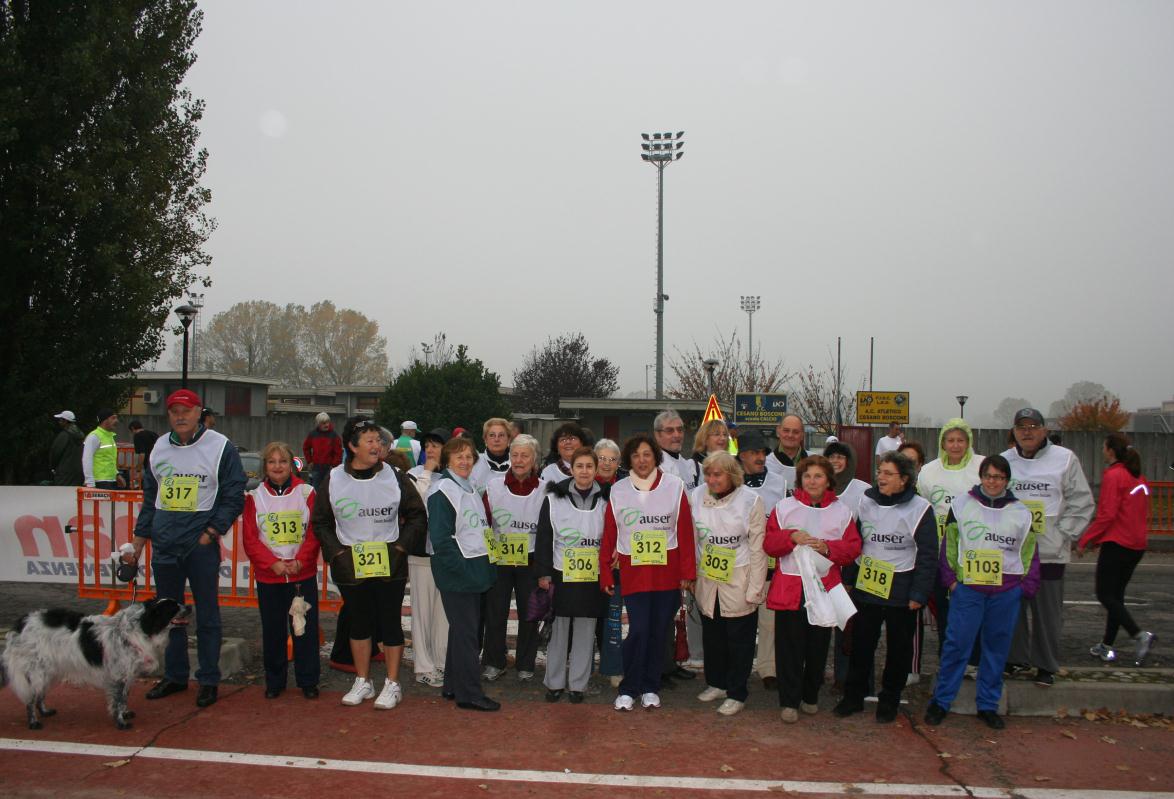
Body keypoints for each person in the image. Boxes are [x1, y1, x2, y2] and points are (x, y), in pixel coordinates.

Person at [122, 389, 246, 708]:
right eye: (174, 411)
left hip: (199, 546)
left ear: (198, 413)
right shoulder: (158, 447)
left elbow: (234, 495)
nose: (180, 416)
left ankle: (208, 679)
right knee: (168, 616)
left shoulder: (220, 447)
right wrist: (137, 544)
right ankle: (175, 676)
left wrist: (211, 532)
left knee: (207, 614)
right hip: (165, 547)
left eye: (186, 411)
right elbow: (151, 500)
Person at [313, 417, 427, 709]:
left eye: (379, 440)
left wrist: (400, 548)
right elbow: (322, 522)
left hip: (390, 560)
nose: (377, 446)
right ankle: (363, 681)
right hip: (351, 562)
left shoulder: (396, 475)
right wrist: (338, 554)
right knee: (359, 623)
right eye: (370, 440)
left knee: (389, 623)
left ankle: (392, 683)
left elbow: (416, 515)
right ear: (352, 446)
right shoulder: (334, 478)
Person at [925, 455, 1039, 730]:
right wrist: (951, 579)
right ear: (981, 477)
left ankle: (987, 705)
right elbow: (949, 544)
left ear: (1007, 481)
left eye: (999, 477)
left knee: (996, 649)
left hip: (1006, 591)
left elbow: (1030, 551)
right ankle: (941, 702)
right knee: (956, 645)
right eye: (988, 476)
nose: (993, 482)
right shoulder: (962, 504)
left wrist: (1025, 586)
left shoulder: (1021, 512)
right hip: (969, 589)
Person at [833, 452, 936, 722]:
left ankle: (889, 699)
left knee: (899, 649)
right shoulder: (866, 501)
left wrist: (919, 593)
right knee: (861, 645)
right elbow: (857, 542)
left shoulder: (920, 508)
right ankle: (853, 696)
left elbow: (927, 555)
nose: (881, 477)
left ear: (904, 479)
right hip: (868, 585)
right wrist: (849, 578)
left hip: (902, 587)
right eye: (880, 471)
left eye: (888, 473)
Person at [599, 434, 696, 711]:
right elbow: (610, 534)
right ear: (629, 459)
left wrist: (688, 572)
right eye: (636, 455)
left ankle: (651, 686)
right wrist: (605, 573)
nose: (642, 460)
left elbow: (685, 532)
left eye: (647, 455)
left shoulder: (674, 486)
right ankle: (630, 686)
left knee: (658, 632)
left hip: (667, 572)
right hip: (634, 573)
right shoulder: (619, 490)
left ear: (655, 457)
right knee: (639, 630)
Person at [763, 455, 861, 723]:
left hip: (823, 587)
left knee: (818, 645)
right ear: (800, 480)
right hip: (790, 586)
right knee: (789, 647)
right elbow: (769, 544)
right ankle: (789, 701)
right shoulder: (784, 508)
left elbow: (853, 548)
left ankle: (810, 695)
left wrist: (828, 547)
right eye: (807, 476)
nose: (812, 481)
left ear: (829, 480)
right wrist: (790, 537)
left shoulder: (842, 511)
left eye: (818, 476)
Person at [1002, 408, 1094, 687]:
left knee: (1047, 613)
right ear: (1014, 432)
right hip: (1012, 553)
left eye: (1033, 426)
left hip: (1049, 553)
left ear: (1043, 430)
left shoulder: (1064, 459)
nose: (1027, 432)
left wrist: (1063, 534)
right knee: (1012, 609)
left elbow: (1082, 502)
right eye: (1021, 427)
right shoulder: (1005, 461)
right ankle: (1015, 659)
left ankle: (1046, 665)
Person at [240, 441, 321, 699]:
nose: (278, 466)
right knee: (273, 631)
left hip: (301, 575)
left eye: (283, 461)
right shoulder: (254, 497)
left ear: (292, 465)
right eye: (272, 462)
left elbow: (314, 532)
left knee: (304, 629)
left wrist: (302, 560)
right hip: (270, 577)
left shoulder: (307, 493)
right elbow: (251, 539)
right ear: (265, 466)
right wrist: (271, 563)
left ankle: (308, 681)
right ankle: (275, 682)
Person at [691, 451, 767, 716]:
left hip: (740, 576)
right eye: (708, 474)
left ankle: (737, 692)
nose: (712, 480)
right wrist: (691, 575)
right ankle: (717, 683)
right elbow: (692, 539)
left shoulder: (751, 501)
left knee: (740, 640)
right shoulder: (696, 496)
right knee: (713, 636)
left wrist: (755, 588)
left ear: (732, 475)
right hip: (708, 578)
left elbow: (758, 549)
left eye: (718, 475)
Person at [429, 436, 500, 711]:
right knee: (468, 635)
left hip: (475, 568)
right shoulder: (442, 490)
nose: (465, 461)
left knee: (461, 632)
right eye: (459, 456)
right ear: (447, 460)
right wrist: (462, 570)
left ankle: (452, 685)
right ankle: (469, 693)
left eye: (469, 456)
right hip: (459, 573)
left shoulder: (469, 487)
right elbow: (441, 539)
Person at [536, 446, 609, 702]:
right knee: (558, 630)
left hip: (592, 576)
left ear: (596, 469)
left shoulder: (607, 498)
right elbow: (544, 537)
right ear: (572, 469)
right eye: (580, 466)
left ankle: (578, 684)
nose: (585, 471)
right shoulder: (553, 498)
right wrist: (544, 573)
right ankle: (554, 683)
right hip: (561, 573)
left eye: (590, 466)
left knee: (586, 630)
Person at [1078, 433, 1156, 666]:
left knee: (1105, 594)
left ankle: (1139, 635)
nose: (1102, 451)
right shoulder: (1138, 477)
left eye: (1104, 447)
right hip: (1136, 545)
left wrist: (1086, 540)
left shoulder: (1115, 475)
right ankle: (1107, 645)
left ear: (1111, 450)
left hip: (1117, 544)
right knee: (1116, 597)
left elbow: (1107, 514)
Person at [482, 434, 546, 682]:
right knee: (495, 612)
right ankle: (494, 661)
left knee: (529, 614)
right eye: (515, 455)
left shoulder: (544, 490)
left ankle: (525, 663)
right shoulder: (494, 486)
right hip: (500, 559)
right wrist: (490, 554)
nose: (519, 460)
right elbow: (484, 523)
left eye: (525, 456)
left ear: (534, 460)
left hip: (530, 559)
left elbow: (547, 530)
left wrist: (543, 567)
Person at [917, 419, 983, 656]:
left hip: (973, 550)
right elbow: (921, 508)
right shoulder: (928, 472)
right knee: (943, 607)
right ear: (942, 443)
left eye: (961, 440)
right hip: (939, 552)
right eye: (950, 440)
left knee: (972, 606)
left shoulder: (981, 467)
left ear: (969, 442)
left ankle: (974, 658)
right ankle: (948, 656)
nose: (955, 445)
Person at [737, 428, 788, 691]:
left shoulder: (779, 482)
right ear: (741, 455)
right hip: (739, 561)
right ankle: (738, 669)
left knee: (769, 620)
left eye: (763, 453)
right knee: (740, 622)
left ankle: (768, 667)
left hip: (768, 560)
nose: (760, 457)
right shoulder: (731, 479)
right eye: (754, 452)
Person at [405, 426, 450, 688]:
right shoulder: (412, 475)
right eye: (428, 444)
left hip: (445, 554)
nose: (431, 449)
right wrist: (427, 472)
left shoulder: (452, 477)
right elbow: (417, 506)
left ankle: (442, 662)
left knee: (443, 613)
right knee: (421, 611)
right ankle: (423, 665)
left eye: (437, 445)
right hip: (420, 553)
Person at [594, 438, 625, 686]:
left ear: (619, 463)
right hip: (584, 559)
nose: (606, 463)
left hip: (615, 561)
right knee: (587, 615)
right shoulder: (583, 483)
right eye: (601, 458)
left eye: (611, 459)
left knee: (611, 616)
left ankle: (613, 664)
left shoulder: (626, 486)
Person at [653, 409, 700, 491]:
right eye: (669, 430)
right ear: (657, 435)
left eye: (680, 430)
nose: (677, 435)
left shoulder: (691, 466)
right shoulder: (653, 470)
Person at [824, 440, 869, 517]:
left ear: (849, 461)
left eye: (840, 457)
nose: (835, 461)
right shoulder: (819, 485)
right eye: (831, 457)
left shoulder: (863, 490)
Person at [82, 409, 123, 489]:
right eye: (113, 418)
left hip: (110, 480)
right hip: (99, 482)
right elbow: (87, 459)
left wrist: (117, 474)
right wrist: (89, 482)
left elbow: (109, 459)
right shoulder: (94, 436)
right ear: (105, 420)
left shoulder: (109, 436)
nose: (116, 421)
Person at [765, 413, 808, 488]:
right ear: (778, 432)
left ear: (802, 435)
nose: (790, 435)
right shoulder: (765, 464)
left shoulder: (815, 462)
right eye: (786, 430)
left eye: (796, 432)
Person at [470, 417, 512, 492]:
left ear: (508, 439)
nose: (496, 439)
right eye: (492, 435)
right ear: (485, 439)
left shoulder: (516, 462)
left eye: (501, 435)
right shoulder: (474, 462)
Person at [302, 412, 342, 488]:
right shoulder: (312, 434)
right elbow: (306, 447)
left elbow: (338, 452)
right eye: (323, 423)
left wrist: (334, 466)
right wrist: (309, 461)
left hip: (329, 469)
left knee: (329, 490)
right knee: (315, 490)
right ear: (318, 424)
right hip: (316, 468)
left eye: (327, 422)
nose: (326, 425)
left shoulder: (334, 435)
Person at [49, 410, 84, 486]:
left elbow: (55, 453)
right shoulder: (81, 435)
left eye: (60, 420)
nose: (59, 422)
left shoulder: (64, 435)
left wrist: (53, 468)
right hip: (78, 475)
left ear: (65, 421)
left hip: (64, 475)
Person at [127, 421, 158, 487]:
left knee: (149, 486)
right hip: (160, 464)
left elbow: (142, 454)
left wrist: (138, 469)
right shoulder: (153, 434)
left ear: (132, 428)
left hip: (149, 465)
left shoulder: (138, 436)